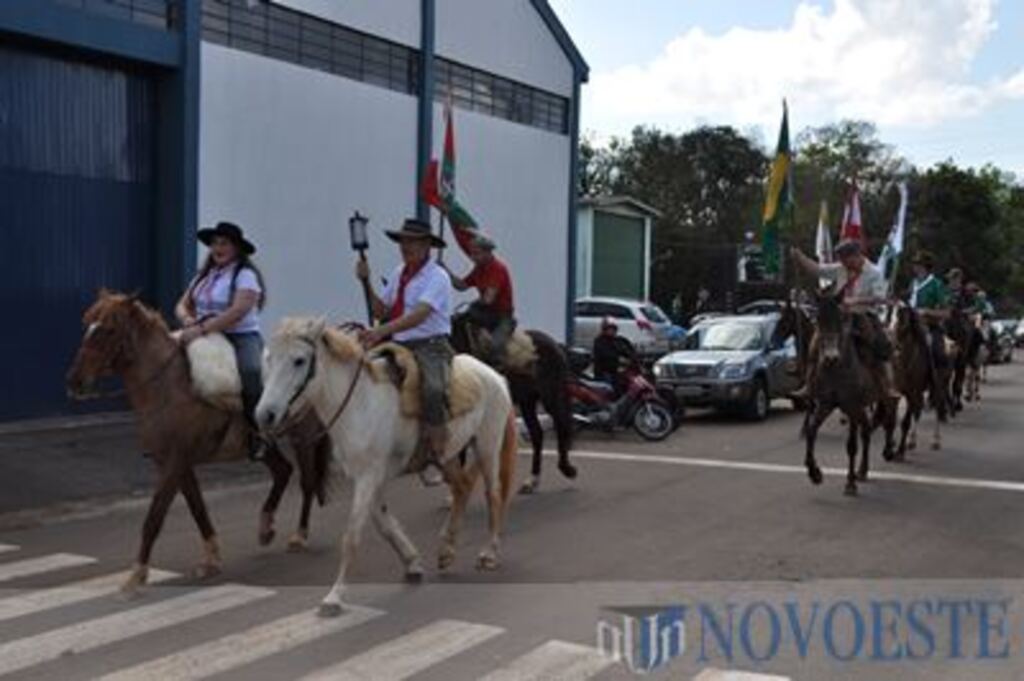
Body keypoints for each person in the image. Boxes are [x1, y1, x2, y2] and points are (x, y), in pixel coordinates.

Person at [356, 218, 453, 472]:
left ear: (426, 246)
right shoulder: (400, 272)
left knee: (432, 389)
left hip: (429, 345)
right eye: (403, 241)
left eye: (411, 241)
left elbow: (419, 315)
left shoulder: (438, 276)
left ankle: (436, 452)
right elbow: (382, 310)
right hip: (399, 342)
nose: (405, 246)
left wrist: (380, 331)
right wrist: (366, 283)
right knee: (361, 372)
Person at [175, 221, 267, 459]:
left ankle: (259, 433)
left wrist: (201, 329)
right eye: (215, 243)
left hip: (241, 335)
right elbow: (183, 304)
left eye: (224, 243)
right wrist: (186, 319)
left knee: (250, 370)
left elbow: (236, 312)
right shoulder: (203, 276)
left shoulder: (246, 276)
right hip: (204, 331)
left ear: (236, 248)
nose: (218, 248)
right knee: (168, 357)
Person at [788, 239, 899, 399]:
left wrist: (855, 301)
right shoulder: (841, 269)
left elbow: (879, 298)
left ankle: (887, 385)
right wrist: (800, 257)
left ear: (856, 255)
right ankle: (809, 384)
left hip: (864, 315)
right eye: (841, 259)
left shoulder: (874, 273)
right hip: (839, 316)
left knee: (881, 346)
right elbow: (817, 270)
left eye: (845, 259)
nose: (843, 263)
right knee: (815, 343)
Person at [446, 233, 515, 368]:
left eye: (477, 253)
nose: (473, 257)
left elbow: (488, 299)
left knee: (493, 347)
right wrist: (445, 270)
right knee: (456, 323)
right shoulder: (479, 269)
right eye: (472, 254)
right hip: (483, 313)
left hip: (501, 316)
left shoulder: (498, 269)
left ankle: (500, 371)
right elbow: (462, 285)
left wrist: (475, 303)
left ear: (487, 252)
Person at [909, 250, 951, 374]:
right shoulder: (913, 283)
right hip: (911, 325)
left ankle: (938, 383)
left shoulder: (936, 285)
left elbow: (946, 312)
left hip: (929, 326)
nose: (915, 267)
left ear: (925, 267)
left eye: (918, 264)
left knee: (938, 353)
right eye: (915, 264)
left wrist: (927, 311)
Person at [591, 317, 636, 394]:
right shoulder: (599, 341)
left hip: (616, 371)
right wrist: (620, 360)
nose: (612, 331)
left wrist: (633, 356)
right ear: (604, 329)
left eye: (613, 328)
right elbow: (607, 356)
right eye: (609, 328)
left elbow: (627, 350)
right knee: (612, 388)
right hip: (605, 372)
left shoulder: (618, 340)